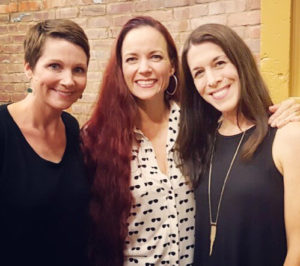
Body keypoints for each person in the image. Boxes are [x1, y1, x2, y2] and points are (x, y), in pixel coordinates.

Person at [81, 16, 299, 266]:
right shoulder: (96, 137)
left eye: (155, 56)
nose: (144, 68)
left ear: (172, 65)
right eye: (132, 59)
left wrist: (294, 108)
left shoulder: (194, 126)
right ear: (120, 68)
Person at [177, 23, 300, 265]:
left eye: (219, 63)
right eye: (199, 72)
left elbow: (298, 248)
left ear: (240, 62)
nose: (212, 80)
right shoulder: (202, 139)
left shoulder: (287, 136)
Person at [0, 19, 90, 266]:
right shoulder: (4, 132)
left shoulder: (72, 128)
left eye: (78, 69)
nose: (69, 80)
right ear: (29, 68)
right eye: (54, 66)